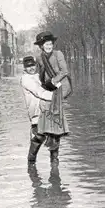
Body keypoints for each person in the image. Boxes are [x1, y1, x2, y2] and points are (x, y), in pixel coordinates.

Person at [34, 31, 70, 163]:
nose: (49, 46)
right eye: (46, 44)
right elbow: (39, 73)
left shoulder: (58, 54)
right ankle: (51, 147)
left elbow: (64, 71)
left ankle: (55, 155)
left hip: (60, 86)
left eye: (50, 43)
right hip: (47, 88)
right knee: (46, 114)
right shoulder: (39, 57)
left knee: (56, 116)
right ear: (41, 46)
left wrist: (54, 82)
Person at [20, 56, 54, 164]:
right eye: (28, 66)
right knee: (37, 139)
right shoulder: (26, 79)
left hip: (44, 111)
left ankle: (35, 169)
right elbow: (39, 92)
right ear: (24, 68)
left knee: (48, 138)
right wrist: (56, 96)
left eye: (33, 65)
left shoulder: (37, 76)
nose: (31, 68)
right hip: (35, 112)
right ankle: (31, 164)